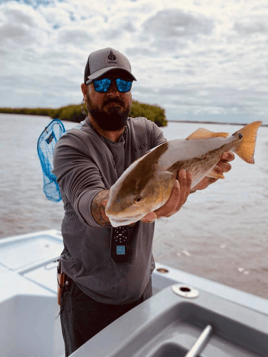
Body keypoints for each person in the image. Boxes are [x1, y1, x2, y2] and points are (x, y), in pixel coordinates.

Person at [53, 47, 234, 356]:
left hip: (140, 290)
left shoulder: (149, 133)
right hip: (86, 297)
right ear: (85, 90)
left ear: (131, 91)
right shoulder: (71, 145)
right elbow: (90, 202)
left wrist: (204, 175)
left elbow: (181, 176)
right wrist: (128, 206)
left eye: (123, 84)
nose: (114, 92)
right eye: (103, 84)